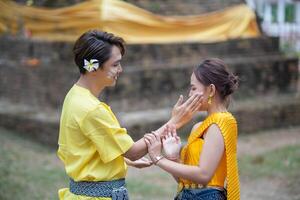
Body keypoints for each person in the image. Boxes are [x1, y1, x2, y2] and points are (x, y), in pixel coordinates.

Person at [57, 30, 202, 200]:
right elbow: (132, 151)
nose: (120, 69)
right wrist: (175, 122)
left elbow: (83, 149)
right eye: (115, 64)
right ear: (93, 66)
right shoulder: (91, 109)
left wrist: (122, 161)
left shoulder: (74, 96)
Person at [145, 58, 240, 200]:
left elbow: (203, 175)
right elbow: (184, 181)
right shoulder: (198, 127)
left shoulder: (222, 121)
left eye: (194, 88)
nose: (190, 94)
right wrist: (173, 157)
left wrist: (158, 159)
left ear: (211, 90)